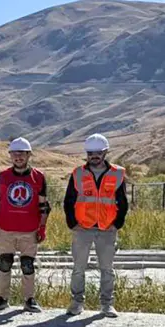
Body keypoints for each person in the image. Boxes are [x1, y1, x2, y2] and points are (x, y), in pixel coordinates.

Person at [63, 133, 128, 317]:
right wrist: (72, 223)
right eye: (91, 153)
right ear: (86, 153)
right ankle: (76, 303)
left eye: (98, 152)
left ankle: (107, 304)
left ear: (106, 152)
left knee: (107, 269)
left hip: (107, 229)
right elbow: (69, 201)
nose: (94, 156)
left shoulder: (117, 173)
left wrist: (117, 224)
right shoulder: (78, 173)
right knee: (78, 268)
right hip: (83, 228)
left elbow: (123, 202)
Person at [0, 137, 50, 313]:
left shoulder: (38, 177)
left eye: (22, 153)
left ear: (29, 155)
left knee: (27, 265)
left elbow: (43, 205)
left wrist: (42, 227)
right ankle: (1, 298)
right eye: (14, 153)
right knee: (5, 263)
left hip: (29, 230)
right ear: (10, 155)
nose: (18, 157)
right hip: (6, 229)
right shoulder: (2, 176)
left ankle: (29, 299)